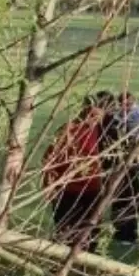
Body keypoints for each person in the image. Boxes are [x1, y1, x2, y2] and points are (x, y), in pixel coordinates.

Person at [42, 96, 106, 250]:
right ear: (83, 110)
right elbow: (48, 160)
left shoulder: (102, 130)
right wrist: (48, 185)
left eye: (98, 116)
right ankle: (61, 263)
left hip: (92, 189)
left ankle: (88, 262)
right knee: (66, 230)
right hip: (68, 190)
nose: (94, 120)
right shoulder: (68, 131)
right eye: (91, 115)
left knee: (91, 229)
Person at [111, 91, 139, 244]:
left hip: (131, 161)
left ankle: (129, 233)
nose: (126, 107)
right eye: (123, 104)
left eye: (129, 104)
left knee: (134, 198)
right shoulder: (116, 116)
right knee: (125, 198)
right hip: (120, 163)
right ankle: (123, 234)